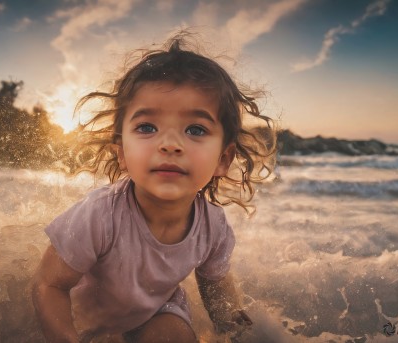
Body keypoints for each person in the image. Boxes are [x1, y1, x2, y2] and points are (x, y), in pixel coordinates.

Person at [32, 32, 276, 343]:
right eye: (147, 127)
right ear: (122, 152)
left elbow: (216, 286)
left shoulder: (213, 226)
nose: (170, 144)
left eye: (195, 129)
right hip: (84, 319)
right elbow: (48, 285)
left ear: (223, 159)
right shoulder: (99, 215)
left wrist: (237, 329)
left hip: (155, 312)